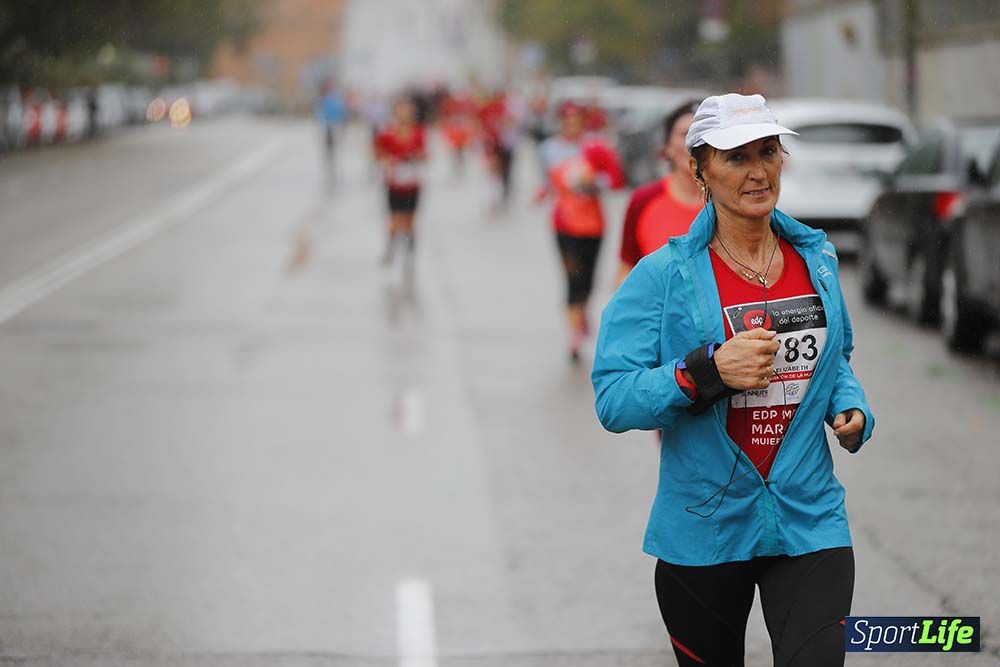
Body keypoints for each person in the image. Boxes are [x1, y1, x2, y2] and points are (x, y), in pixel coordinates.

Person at [592, 93, 875, 666]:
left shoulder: (815, 259)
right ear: (699, 170)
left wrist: (850, 407)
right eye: (735, 157)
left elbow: (835, 359)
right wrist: (704, 374)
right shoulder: (663, 275)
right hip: (704, 529)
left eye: (768, 152)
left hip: (809, 519)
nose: (757, 171)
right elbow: (613, 397)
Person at [539, 102, 625, 362]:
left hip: (593, 224)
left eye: (577, 120)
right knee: (572, 277)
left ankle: (582, 311)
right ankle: (574, 334)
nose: (572, 125)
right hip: (564, 223)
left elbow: (614, 180)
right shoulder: (549, 150)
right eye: (568, 120)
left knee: (587, 277)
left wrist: (593, 182)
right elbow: (548, 182)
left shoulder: (595, 148)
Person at [617, 99, 703, 285]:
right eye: (684, 134)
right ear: (667, 148)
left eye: (702, 134)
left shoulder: (731, 203)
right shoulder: (644, 200)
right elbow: (626, 271)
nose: (694, 143)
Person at [374, 96, 427, 268]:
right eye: (401, 109)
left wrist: (416, 158)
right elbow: (377, 153)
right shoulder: (387, 133)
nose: (405, 113)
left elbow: (425, 155)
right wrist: (388, 160)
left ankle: (411, 253)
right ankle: (391, 249)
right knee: (394, 219)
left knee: (410, 220)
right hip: (394, 183)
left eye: (408, 110)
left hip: (412, 183)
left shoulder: (418, 132)